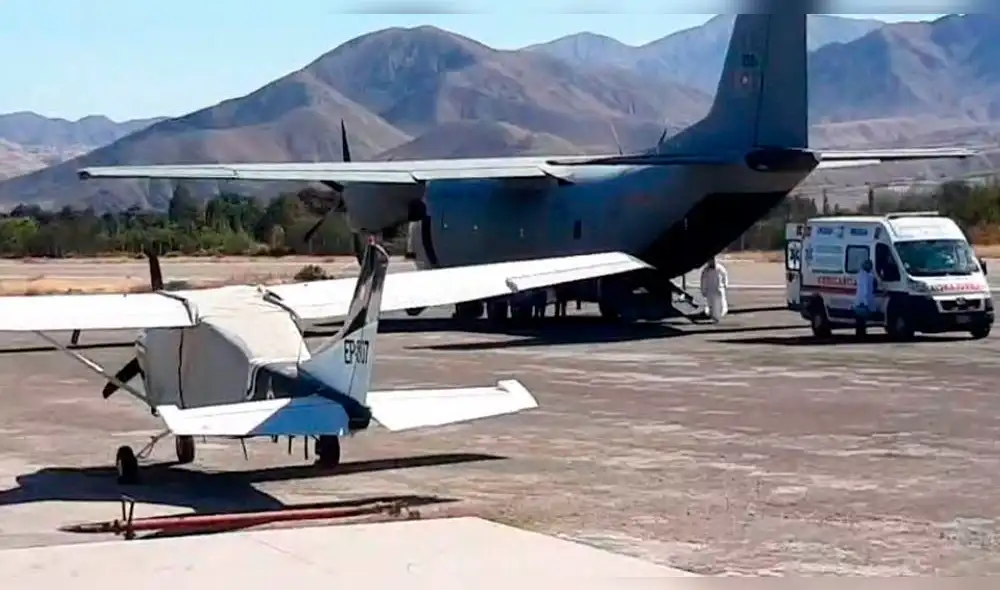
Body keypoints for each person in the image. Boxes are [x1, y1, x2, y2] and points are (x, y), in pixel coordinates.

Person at [700, 257, 729, 323]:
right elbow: (703, 281)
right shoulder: (706, 271)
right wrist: (703, 290)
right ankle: (714, 315)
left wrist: (725, 284)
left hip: (719, 288)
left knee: (721, 302)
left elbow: (725, 275)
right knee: (711, 303)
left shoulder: (720, 268)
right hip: (710, 290)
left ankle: (721, 312)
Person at [853, 258, 877, 336]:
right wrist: (866, 303)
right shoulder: (868, 276)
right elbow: (865, 291)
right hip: (863, 302)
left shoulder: (860, 274)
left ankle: (859, 334)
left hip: (859, 301)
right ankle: (861, 335)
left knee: (859, 320)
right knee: (862, 320)